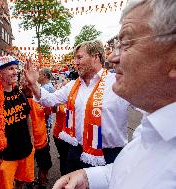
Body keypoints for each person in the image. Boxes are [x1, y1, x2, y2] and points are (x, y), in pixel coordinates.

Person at [52, 0, 176, 188]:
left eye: (126, 44)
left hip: (108, 152)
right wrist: (90, 177)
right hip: (78, 152)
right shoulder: (150, 129)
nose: (112, 58)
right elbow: (132, 170)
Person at [24, 40, 130, 173]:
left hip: (109, 155)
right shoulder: (72, 85)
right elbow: (49, 100)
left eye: (80, 57)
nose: (76, 62)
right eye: (75, 58)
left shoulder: (117, 82)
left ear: (95, 57)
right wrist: (34, 84)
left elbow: (149, 109)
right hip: (75, 150)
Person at [0, 55, 34, 189]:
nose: (16, 71)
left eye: (16, 68)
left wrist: (32, 140)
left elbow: (27, 116)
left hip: (25, 149)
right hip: (5, 156)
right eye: (11, 68)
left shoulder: (19, 93)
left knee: (21, 181)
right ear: (0, 72)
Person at [20, 77, 52, 189]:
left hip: (42, 141)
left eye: (30, 81)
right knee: (25, 171)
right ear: (21, 83)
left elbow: (48, 113)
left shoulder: (40, 98)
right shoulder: (17, 99)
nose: (27, 83)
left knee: (45, 165)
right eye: (25, 81)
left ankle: (42, 184)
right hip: (25, 143)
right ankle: (29, 183)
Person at [37, 68, 55, 141]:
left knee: (45, 140)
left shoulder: (47, 88)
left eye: (39, 74)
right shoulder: (46, 86)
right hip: (45, 119)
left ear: (44, 75)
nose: (37, 76)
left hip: (45, 119)